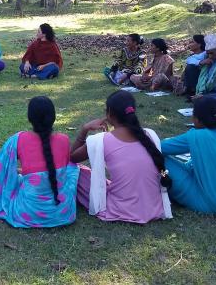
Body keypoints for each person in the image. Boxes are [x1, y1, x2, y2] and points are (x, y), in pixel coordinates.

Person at [71, 91, 172, 224]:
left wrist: (84, 129)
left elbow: (71, 159)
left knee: (75, 170)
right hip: (154, 208)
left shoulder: (101, 140)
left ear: (109, 114)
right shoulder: (150, 135)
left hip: (120, 210)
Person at [0, 96, 78, 228]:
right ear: (53, 117)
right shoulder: (64, 139)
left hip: (27, 211)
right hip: (63, 213)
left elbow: (2, 172)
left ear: (30, 118)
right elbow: (60, 167)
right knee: (73, 168)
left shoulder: (18, 140)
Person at [193, 34, 216, 98]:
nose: (210, 56)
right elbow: (189, 60)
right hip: (204, 90)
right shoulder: (206, 58)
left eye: (211, 53)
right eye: (208, 54)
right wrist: (201, 62)